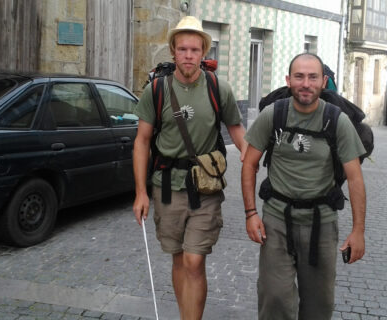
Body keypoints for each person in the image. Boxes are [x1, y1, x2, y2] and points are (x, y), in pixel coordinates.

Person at [131, 16, 247, 320]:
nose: (188, 56)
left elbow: (236, 129)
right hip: (166, 187)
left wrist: (252, 158)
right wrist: (141, 192)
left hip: (205, 187)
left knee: (194, 261)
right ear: (173, 51)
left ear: (203, 52)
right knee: (178, 259)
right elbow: (142, 141)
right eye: (182, 49)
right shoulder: (156, 90)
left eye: (194, 50)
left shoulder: (218, 88)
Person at [241, 53, 367, 320]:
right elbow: (249, 164)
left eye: (312, 77)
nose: (306, 84)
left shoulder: (337, 121)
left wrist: (358, 231)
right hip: (276, 221)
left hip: (321, 223)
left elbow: (355, 177)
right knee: (274, 298)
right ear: (289, 80)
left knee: (318, 306)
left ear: (323, 81)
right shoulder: (273, 115)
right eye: (299, 77)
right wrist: (251, 213)